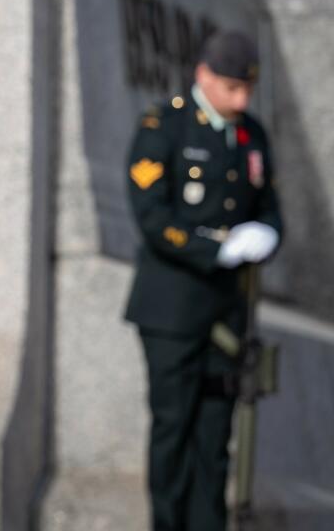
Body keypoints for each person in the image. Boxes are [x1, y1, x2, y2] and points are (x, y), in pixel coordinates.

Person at [123, 30, 283, 531]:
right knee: (173, 428)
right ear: (204, 77)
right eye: (232, 88)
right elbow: (152, 218)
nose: (241, 100)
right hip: (171, 308)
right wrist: (217, 248)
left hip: (227, 310)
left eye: (247, 90)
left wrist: (267, 234)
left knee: (215, 435)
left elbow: (269, 208)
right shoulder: (163, 126)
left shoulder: (250, 134)